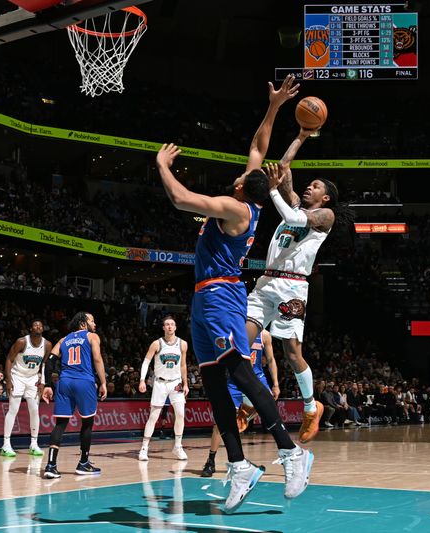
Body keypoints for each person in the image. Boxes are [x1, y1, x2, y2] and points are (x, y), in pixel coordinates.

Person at [156, 75, 312, 514]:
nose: (242, 173)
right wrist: (275, 106)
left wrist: (163, 165)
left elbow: (182, 199)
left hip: (223, 296)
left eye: (244, 176)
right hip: (205, 299)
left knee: (241, 375)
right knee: (214, 385)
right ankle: (240, 465)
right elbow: (259, 148)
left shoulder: (235, 207)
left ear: (245, 187)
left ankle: (291, 451)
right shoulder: (254, 200)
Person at [247, 139, 341, 443]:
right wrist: (301, 135)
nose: (308, 188)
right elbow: (284, 168)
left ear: (325, 197)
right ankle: (249, 404)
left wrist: (273, 190)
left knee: (291, 351)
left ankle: (312, 407)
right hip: (266, 282)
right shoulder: (298, 203)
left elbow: (292, 218)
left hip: (292, 286)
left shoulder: (325, 217)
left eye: (314, 186)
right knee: (239, 344)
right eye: (309, 184)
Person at [201, 329, 279, 477]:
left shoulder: (264, 335)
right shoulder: (235, 330)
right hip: (235, 380)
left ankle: (286, 451)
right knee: (220, 422)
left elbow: (270, 360)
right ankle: (210, 461)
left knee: (269, 408)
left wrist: (275, 384)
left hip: (256, 378)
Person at [40, 312, 107, 479]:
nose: (95, 323)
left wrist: (47, 385)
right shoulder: (92, 337)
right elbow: (97, 359)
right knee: (87, 423)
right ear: (83, 324)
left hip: (64, 382)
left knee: (60, 424)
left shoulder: (64, 340)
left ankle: (51, 465)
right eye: (92, 320)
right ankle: (83, 463)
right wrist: (104, 382)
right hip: (84, 382)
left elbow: (49, 361)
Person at [137, 316, 189, 462]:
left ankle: (178, 446)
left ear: (176, 327)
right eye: (167, 324)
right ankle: (144, 448)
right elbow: (146, 362)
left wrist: (185, 383)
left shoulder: (182, 344)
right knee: (153, 416)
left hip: (176, 382)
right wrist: (142, 380)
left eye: (172, 324)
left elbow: (183, 365)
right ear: (163, 328)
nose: (170, 327)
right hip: (160, 383)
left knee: (180, 414)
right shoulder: (156, 343)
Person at [1, 319, 51, 458]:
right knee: (13, 409)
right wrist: (9, 380)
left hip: (33, 378)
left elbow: (44, 365)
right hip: (17, 376)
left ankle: (34, 444)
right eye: (35, 324)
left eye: (41, 325)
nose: (38, 326)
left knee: (35, 410)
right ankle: (6, 444)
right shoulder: (22, 342)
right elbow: (9, 359)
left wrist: (43, 382)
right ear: (30, 328)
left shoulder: (47, 344)